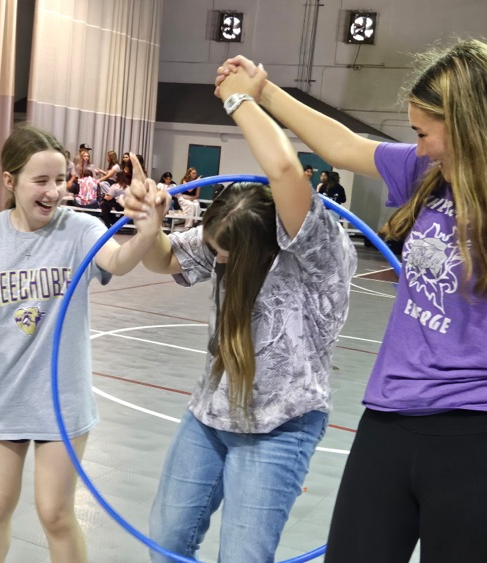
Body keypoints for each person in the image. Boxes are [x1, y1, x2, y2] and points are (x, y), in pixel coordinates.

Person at [216, 39, 487, 562]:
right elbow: (341, 145)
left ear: (472, 127)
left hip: (482, 438)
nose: (417, 148)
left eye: (424, 133)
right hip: (389, 425)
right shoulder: (431, 174)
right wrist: (263, 91)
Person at [0, 125, 169, 563]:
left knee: (55, 512)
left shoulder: (80, 228)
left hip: (61, 397)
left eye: (60, 180)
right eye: (41, 181)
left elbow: (117, 263)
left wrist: (146, 232)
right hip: (3, 393)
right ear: (10, 181)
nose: (54, 191)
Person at [123, 63, 357, 563]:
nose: (215, 260)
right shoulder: (231, 232)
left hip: (280, 424)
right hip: (210, 415)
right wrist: (148, 225)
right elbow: (164, 258)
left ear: (255, 248)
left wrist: (241, 99)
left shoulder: (313, 249)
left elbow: (287, 170)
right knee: (165, 542)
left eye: (223, 256)